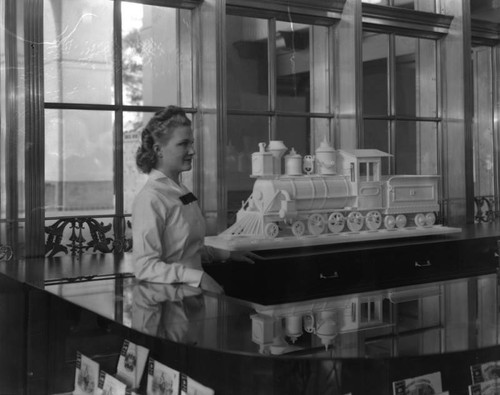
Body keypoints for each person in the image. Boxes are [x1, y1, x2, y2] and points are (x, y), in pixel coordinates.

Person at [132, 105, 257, 294]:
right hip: (171, 300)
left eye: (192, 143)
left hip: (193, 295)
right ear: (158, 150)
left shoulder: (180, 190)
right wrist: (198, 278)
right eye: (183, 144)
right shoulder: (150, 198)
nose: (192, 151)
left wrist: (226, 254)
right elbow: (145, 267)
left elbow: (188, 250)